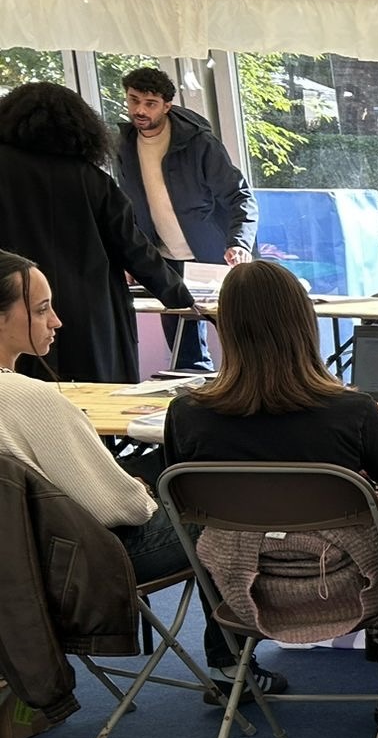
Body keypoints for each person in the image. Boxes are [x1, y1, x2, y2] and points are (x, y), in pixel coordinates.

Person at [162, 260, 378, 694]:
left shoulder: (186, 414)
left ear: (226, 330)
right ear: (303, 324)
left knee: (211, 532)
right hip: (352, 586)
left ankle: (228, 667)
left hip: (240, 589)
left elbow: (184, 501)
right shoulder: (351, 411)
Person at [0, 249, 237, 682]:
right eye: (41, 309)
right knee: (214, 507)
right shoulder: (31, 401)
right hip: (75, 565)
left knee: (162, 467)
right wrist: (139, 491)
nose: (56, 321)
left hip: (19, 566)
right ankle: (232, 667)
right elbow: (121, 510)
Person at [0, 82, 190, 384]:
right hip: (91, 310)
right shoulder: (92, 180)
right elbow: (133, 247)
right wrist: (179, 294)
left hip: (16, 309)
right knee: (94, 403)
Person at [115, 66, 257, 369]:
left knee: (244, 341)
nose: (139, 110)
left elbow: (240, 196)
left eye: (150, 103)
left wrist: (239, 243)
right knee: (184, 353)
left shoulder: (198, 143)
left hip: (214, 255)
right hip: (163, 259)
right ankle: (192, 405)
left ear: (167, 106)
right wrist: (130, 258)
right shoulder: (123, 145)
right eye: (133, 100)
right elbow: (125, 206)